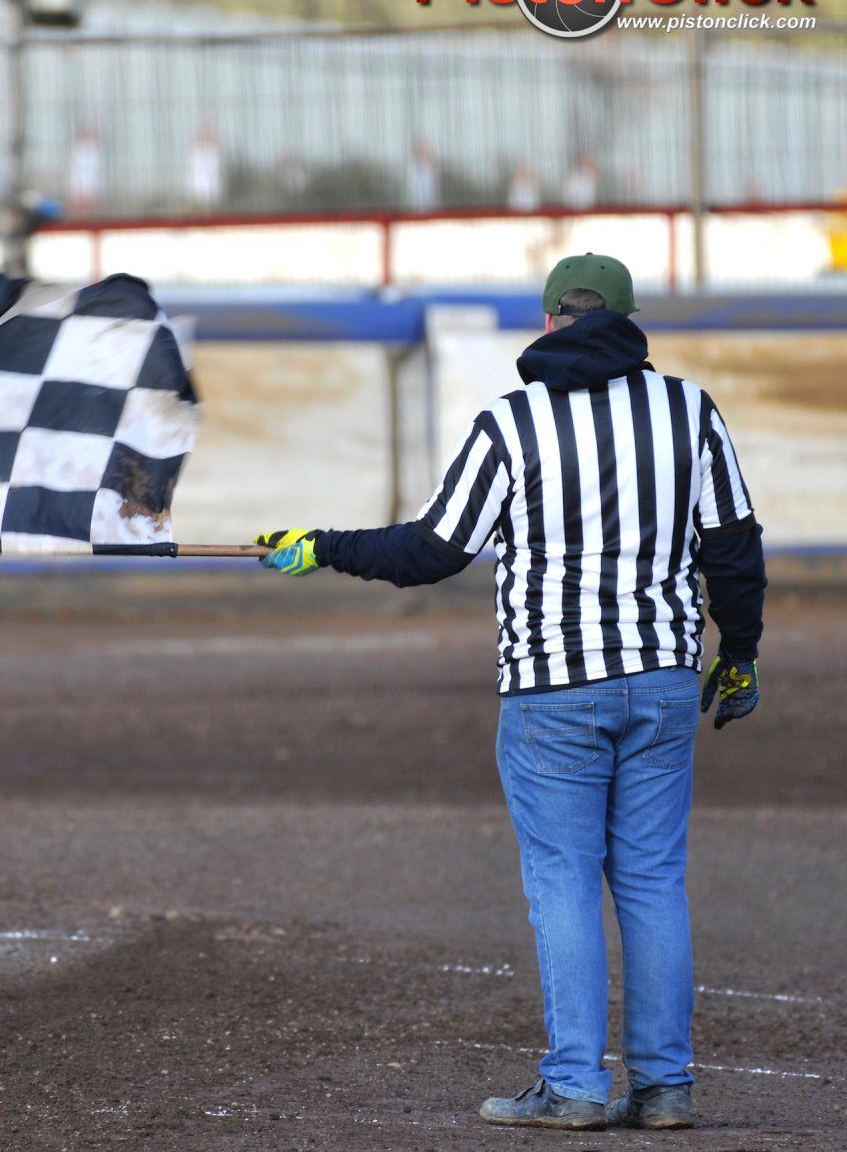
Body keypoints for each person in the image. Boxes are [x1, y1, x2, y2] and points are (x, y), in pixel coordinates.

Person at [254, 253, 765, 1132]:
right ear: (632, 318)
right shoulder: (691, 410)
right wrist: (743, 652)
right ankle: (666, 1085)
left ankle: (574, 1084)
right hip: (665, 681)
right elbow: (734, 545)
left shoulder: (511, 423)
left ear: (548, 320)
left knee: (564, 880)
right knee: (650, 881)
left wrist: (321, 544)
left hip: (552, 691)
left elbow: (431, 550)